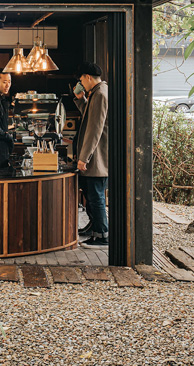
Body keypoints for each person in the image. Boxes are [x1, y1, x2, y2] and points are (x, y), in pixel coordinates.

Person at [73, 62, 108, 248]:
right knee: (90, 193)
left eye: (81, 80)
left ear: (87, 77)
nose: (81, 84)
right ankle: (94, 227)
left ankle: (102, 234)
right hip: (93, 155)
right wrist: (80, 99)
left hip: (97, 157)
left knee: (96, 196)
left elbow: (95, 128)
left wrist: (83, 157)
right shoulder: (95, 93)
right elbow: (89, 117)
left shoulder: (101, 94)